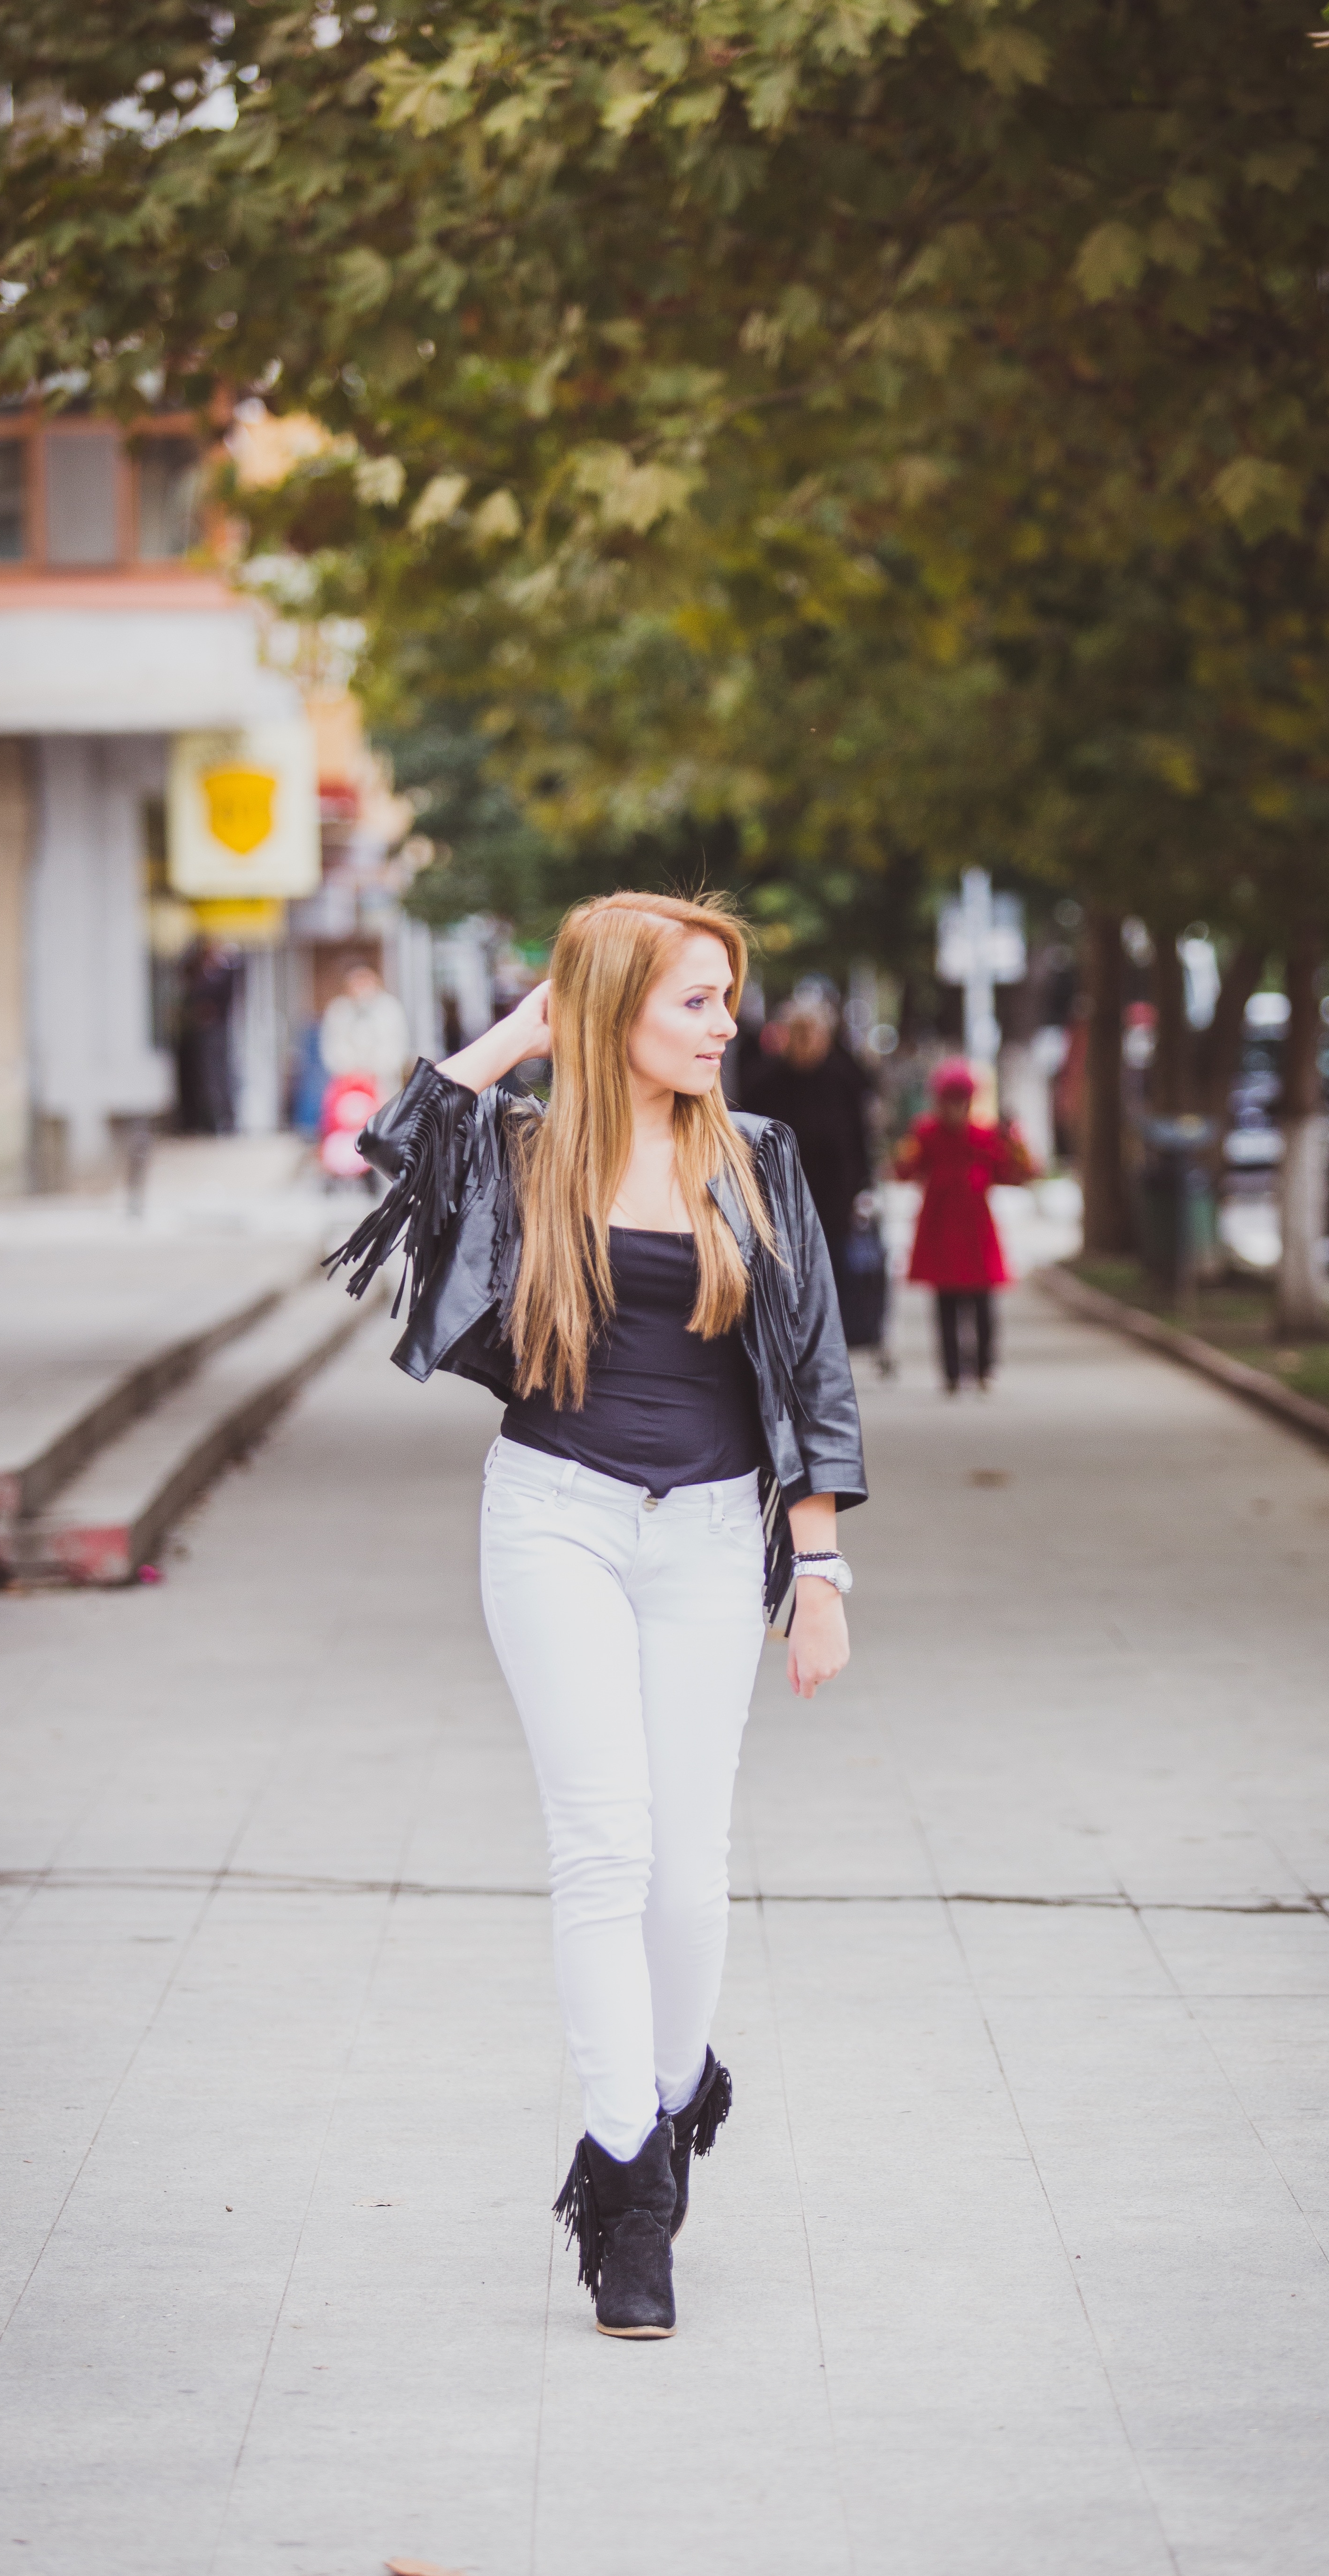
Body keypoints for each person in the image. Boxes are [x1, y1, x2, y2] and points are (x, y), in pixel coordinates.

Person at [327, 892, 866, 2341]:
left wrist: (819, 1573)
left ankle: (677, 2085)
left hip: (704, 1537)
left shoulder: (756, 1159)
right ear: (617, 1006)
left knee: (689, 1870)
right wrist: (538, 1020)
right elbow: (399, 1136)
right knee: (605, 1846)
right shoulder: (522, 1155)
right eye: (695, 999)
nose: (726, 1025)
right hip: (552, 1518)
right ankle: (625, 2187)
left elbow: (810, 1366)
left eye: (728, 998)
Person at [897, 1059, 1034, 1392]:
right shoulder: (926, 1133)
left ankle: (985, 1365)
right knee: (946, 1302)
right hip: (940, 1225)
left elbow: (1016, 1173)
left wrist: (1016, 1141)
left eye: (962, 1101)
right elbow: (904, 1170)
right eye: (950, 1101)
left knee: (982, 1301)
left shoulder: (985, 1136)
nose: (956, 1109)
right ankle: (953, 1372)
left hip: (975, 1227)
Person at [743, 994, 873, 1330]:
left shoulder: (844, 1079)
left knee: (830, 1267)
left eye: (812, 1032)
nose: (804, 1040)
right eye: (797, 1031)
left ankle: (831, 1332)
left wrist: (865, 1187)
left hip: (833, 1196)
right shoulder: (763, 1081)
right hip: (778, 1195)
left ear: (826, 1037)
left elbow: (860, 1137)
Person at [318, 961, 413, 1100]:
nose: (360, 987)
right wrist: (351, 1072)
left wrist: (376, 1070)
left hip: (383, 1084)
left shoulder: (390, 1008)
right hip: (348, 1085)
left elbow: (397, 1046)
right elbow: (332, 1046)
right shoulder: (339, 1009)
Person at [175, 936, 239, 1135]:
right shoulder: (202, 975)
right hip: (204, 1034)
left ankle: (223, 1120)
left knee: (218, 1076)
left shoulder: (223, 975)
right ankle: (210, 1120)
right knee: (208, 1078)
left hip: (216, 1032)